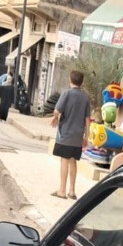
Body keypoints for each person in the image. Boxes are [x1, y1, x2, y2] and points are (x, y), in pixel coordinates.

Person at [50, 70, 91, 200]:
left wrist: (55, 118)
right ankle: (72, 191)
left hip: (66, 134)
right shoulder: (85, 97)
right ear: (82, 82)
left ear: (70, 80)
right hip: (78, 136)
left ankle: (61, 190)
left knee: (64, 160)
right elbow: (87, 119)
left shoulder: (66, 93)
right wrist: (86, 137)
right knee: (73, 161)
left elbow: (57, 110)